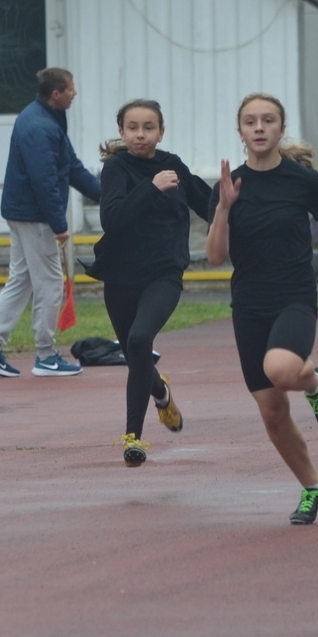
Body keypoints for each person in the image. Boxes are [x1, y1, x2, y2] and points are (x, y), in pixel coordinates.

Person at [205, 92, 318, 525]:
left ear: (281, 129)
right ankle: (313, 487)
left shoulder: (301, 180)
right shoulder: (229, 186)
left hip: (294, 297)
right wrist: (224, 209)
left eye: (268, 120)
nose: (259, 128)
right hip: (249, 304)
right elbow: (215, 256)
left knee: (282, 369)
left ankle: (314, 383)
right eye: (250, 121)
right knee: (271, 411)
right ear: (240, 131)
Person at [85, 100, 211, 466]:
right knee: (135, 356)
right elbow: (112, 220)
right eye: (133, 128)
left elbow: (210, 204)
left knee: (140, 340)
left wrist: (241, 203)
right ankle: (160, 391)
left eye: (149, 127)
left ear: (161, 132)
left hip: (163, 274)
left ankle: (132, 438)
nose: (140, 135)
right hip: (120, 276)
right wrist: (152, 188)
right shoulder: (116, 168)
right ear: (121, 132)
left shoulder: (173, 166)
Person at [0, 67, 102, 378]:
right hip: (35, 217)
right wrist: (59, 224)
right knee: (49, 283)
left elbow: (70, 167)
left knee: (21, 280)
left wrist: (105, 195)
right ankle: (45, 355)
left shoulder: (44, 118)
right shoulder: (40, 127)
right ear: (56, 94)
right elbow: (44, 181)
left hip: (24, 213)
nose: (74, 93)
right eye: (70, 89)